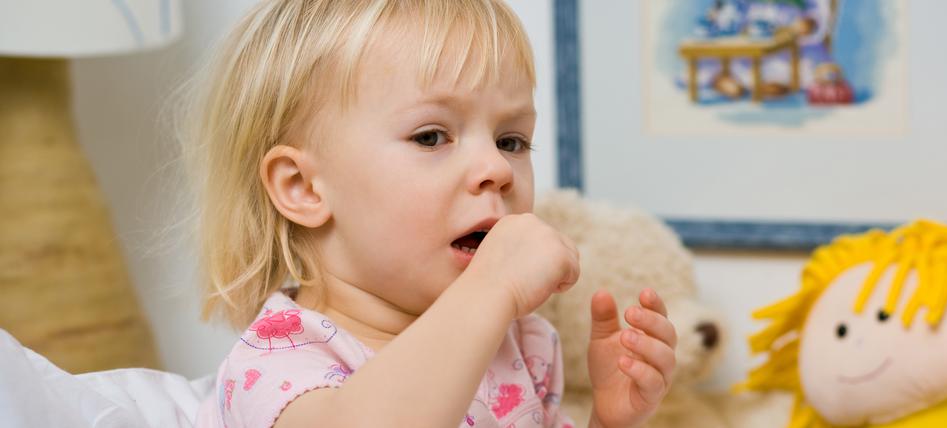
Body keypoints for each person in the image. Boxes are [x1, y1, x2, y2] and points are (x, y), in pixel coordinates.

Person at [183, 1, 677, 427]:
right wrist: (493, 288)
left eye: (511, 141)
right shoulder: (280, 357)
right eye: (431, 136)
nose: (496, 168)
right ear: (304, 188)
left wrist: (608, 420)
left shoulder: (524, 341)